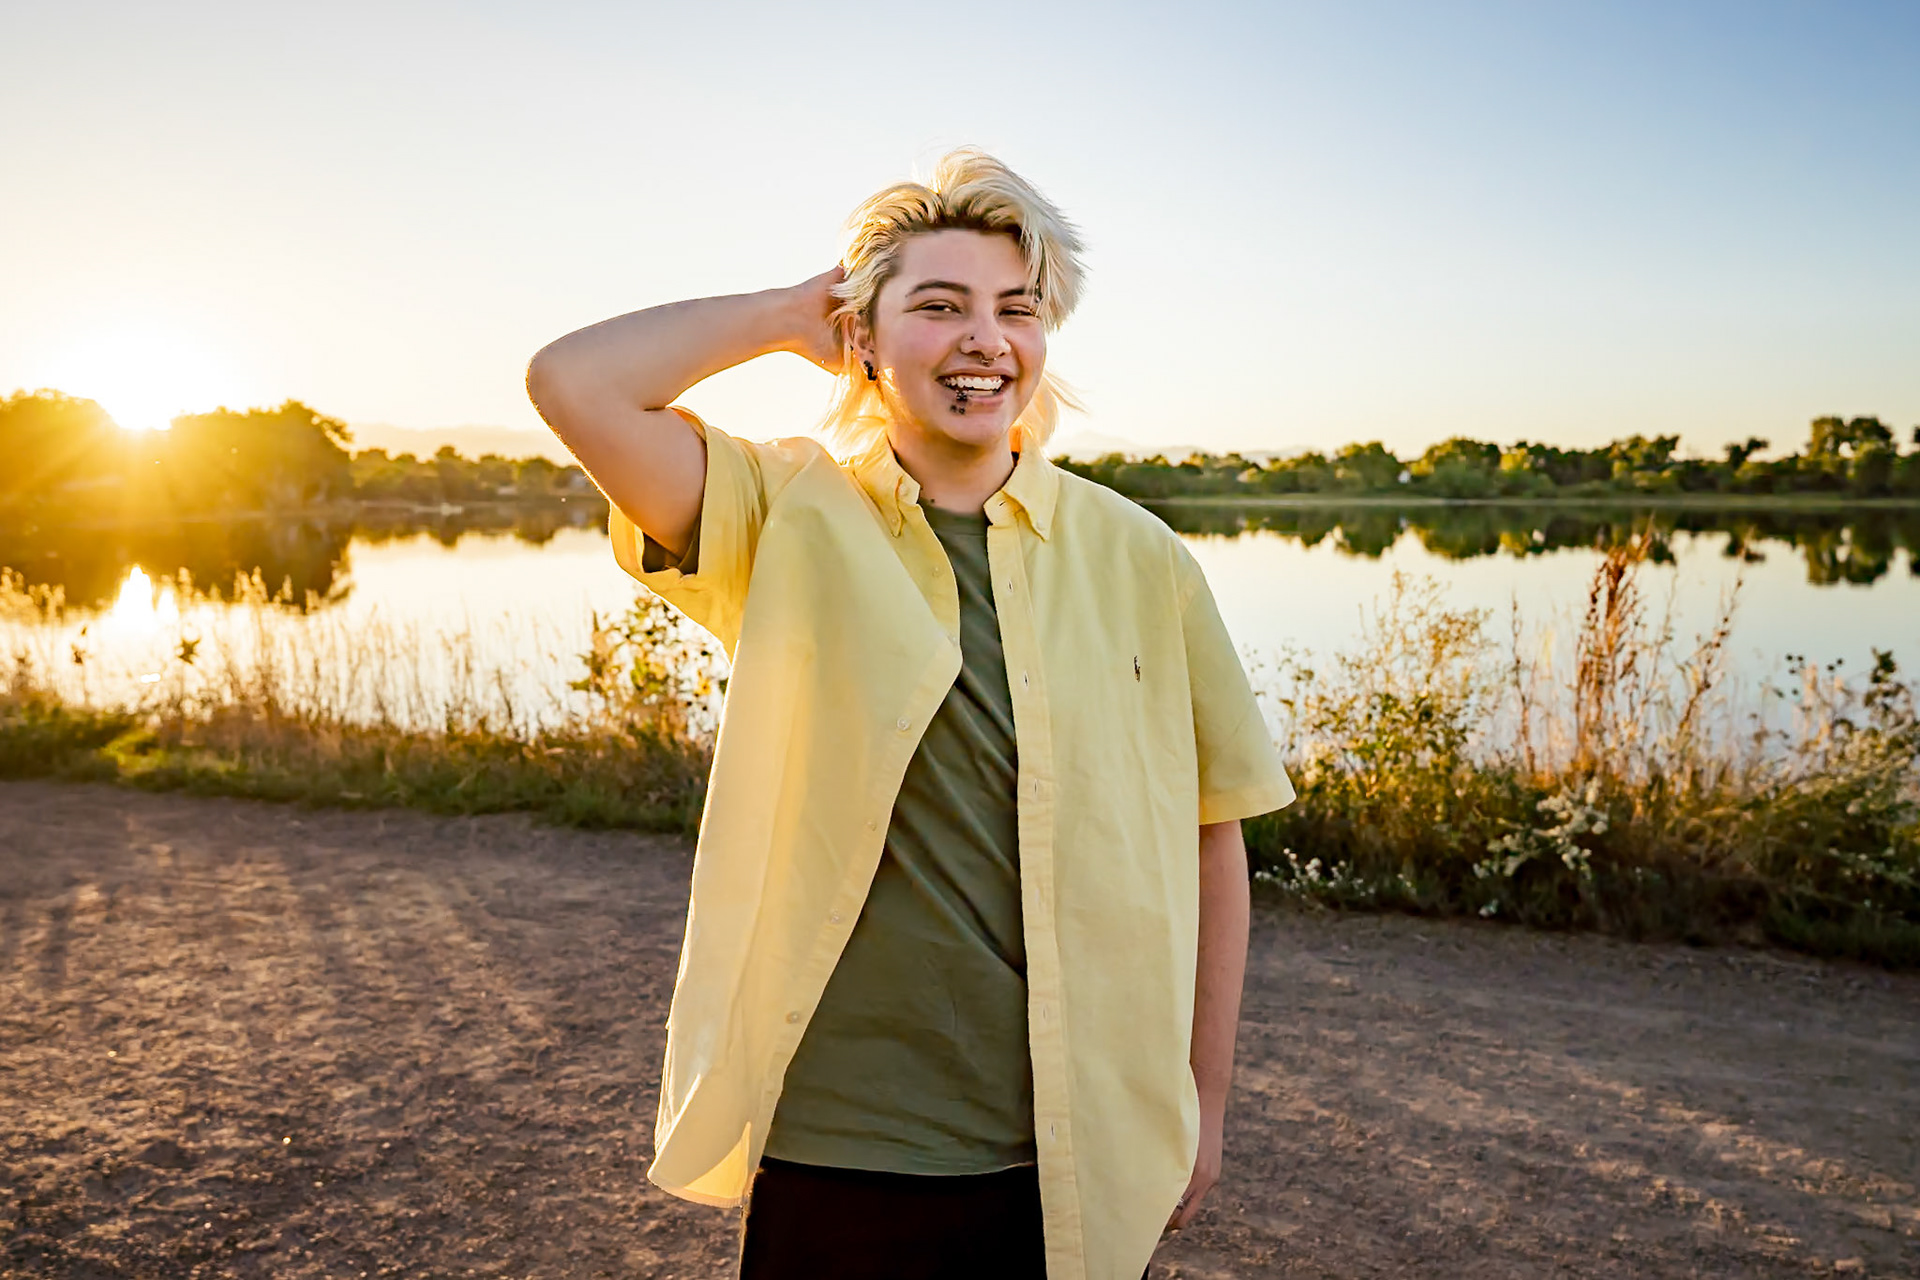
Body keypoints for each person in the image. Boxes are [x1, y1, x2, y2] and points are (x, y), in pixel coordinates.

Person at [525, 150, 1294, 1280]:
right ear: (863, 337)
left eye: (1015, 310)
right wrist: (790, 312)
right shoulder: (785, 512)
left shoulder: (1143, 556)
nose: (985, 338)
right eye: (938, 306)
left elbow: (1211, 834)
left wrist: (1202, 1102)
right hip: (846, 1141)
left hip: (1077, 1144)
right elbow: (575, 382)